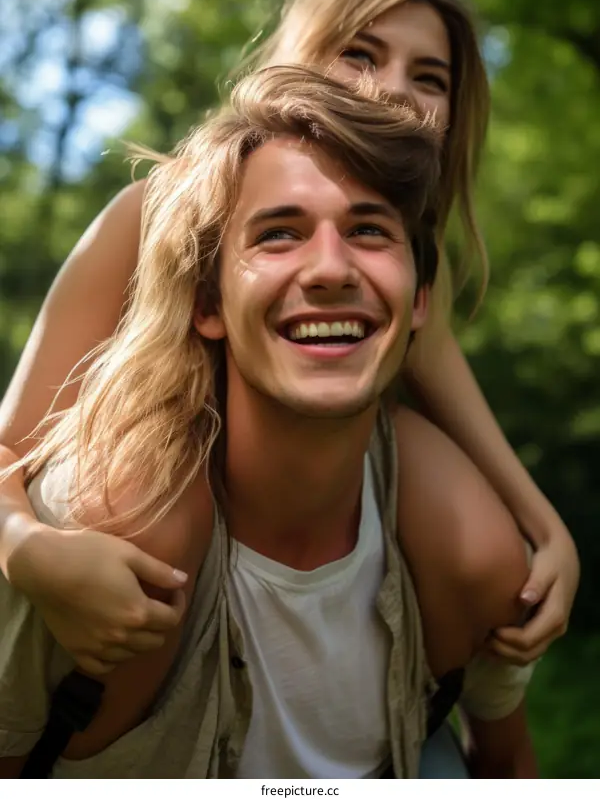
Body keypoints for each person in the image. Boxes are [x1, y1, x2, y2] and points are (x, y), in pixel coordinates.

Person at [0, 0, 577, 674]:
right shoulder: (153, 212)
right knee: (141, 505)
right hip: (155, 530)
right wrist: (27, 551)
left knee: (478, 539)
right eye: (360, 54)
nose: (394, 90)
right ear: (296, 59)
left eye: (429, 78)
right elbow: (8, 446)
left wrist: (550, 534)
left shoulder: (394, 269)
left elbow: (466, 419)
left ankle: (444, 716)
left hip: (326, 525)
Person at [0, 67, 536, 778]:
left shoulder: (470, 552)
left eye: (369, 230)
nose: (330, 269)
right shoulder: (96, 525)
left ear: (420, 301)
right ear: (208, 305)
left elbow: (508, 761)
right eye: (279, 235)